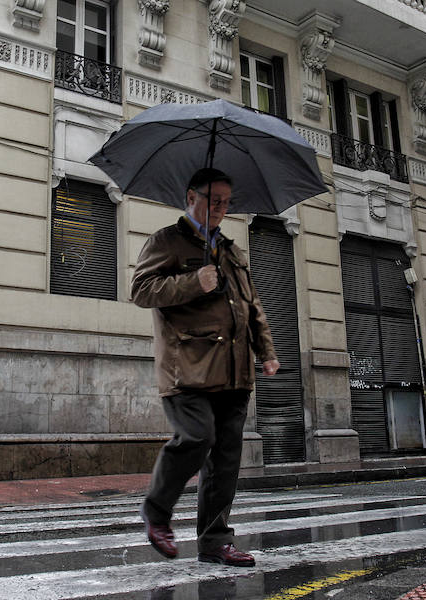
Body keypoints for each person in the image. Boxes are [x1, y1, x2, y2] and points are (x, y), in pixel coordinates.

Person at [131, 167, 281, 567]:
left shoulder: (232, 250)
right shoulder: (167, 241)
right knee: (197, 437)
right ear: (191, 197)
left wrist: (265, 351)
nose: (221, 208)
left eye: (226, 202)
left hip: (234, 372)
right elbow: (141, 290)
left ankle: (215, 542)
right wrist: (194, 281)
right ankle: (156, 511)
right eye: (214, 200)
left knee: (226, 459)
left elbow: (253, 306)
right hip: (188, 369)